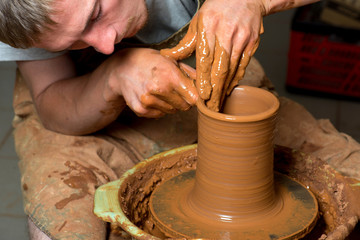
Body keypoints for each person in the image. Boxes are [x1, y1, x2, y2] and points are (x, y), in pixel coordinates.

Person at [0, 0, 323, 239]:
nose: (106, 43)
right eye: (75, 42)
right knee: (60, 226)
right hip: (82, 99)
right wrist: (113, 75)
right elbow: (52, 100)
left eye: (96, 13)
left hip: (209, 74)